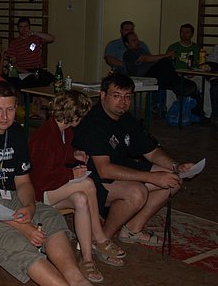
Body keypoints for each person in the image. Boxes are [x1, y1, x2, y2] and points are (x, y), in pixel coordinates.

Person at [0, 81, 129, 286]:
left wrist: (30, 207)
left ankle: (78, 282)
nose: (5, 116)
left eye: (10, 109)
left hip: (12, 196)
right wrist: (21, 225)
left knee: (50, 217)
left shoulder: (16, 132)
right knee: (15, 242)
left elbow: (23, 182)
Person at [73, 73, 193, 246]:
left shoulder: (127, 119)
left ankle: (132, 229)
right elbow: (104, 170)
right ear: (103, 95)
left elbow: (152, 152)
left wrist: (176, 166)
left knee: (174, 179)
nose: (123, 102)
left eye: (127, 97)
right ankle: (102, 240)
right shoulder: (93, 122)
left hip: (119, 168)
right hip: (91, 178)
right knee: (137, 192)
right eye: (116, 96)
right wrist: (152, 177)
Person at [28, 91, 126, 284]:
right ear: (74, 115)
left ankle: (87, 258)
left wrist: (74, 155)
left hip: (52, 189)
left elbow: (60, 155)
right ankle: (100, 238)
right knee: (87, 184)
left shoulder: (63, 131)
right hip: (39, 193)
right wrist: (70, 174)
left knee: (81, 199)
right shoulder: (45, 137)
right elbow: (41, 179)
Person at [122, 32, 196, 98]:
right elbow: (145, 58)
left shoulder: (142, 50)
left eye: (137, 39)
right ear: (127, 44)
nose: (137, 42)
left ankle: (179, 86)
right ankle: (178, 85)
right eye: (133, 40)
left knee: (167, 66)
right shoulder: (129, 53)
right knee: (164, 62)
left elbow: (153, 60)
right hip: (142, 76)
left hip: (154, 74)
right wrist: (166, 55)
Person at [5, 17, 55, 88]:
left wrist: (33, 33)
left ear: (29, 27)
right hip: (22, 71)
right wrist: (27, 73)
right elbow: (13, 63)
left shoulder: (35, 38)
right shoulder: (14, 43)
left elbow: (51, 38)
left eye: (26, 26)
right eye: (21, 27)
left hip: (36, 69)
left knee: (54, 81)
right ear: (18, 28)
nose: (23, 29)